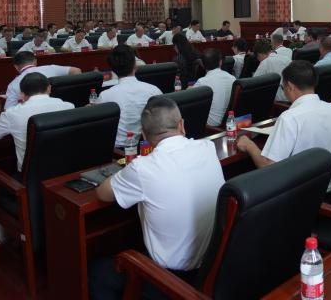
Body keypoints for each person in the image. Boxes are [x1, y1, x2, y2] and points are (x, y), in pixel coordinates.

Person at [92, 97, 225, 300]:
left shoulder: (142, 168)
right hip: (211, 268)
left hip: (168, 280)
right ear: (181, 125)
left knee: (96, 273)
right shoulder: (207, 148)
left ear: (144, 135)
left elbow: (102, 193)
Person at [236, 61, 331, 192]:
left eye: (282, 87)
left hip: (300, 194)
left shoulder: (289, 118)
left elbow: (270, 168)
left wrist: (249, 145)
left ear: (289, 86)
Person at [0, 73, 74, 171]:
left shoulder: (12, 113)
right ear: (49, 88)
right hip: (66, 170)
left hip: (32, 176)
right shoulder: (69, 107)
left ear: (22, 94)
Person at [99, 45, 162, 147]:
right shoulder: (154, 90)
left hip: (118, 151)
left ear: (113, 70)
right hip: (151, 147)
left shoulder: (105, 96)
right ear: (135, 65)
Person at [4, 51, 81, 110]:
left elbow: (8, 110)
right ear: (35, 61)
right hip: (61, 109)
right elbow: (76, 71)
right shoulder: (51, 68)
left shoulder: (13, 85)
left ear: (16, 67)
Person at [193, 48, 236, 127]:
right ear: (220, 62)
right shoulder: (232, 78)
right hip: (230, 122)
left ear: (203, 64)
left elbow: (189, 100)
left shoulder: (202, 82)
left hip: (211, 126)